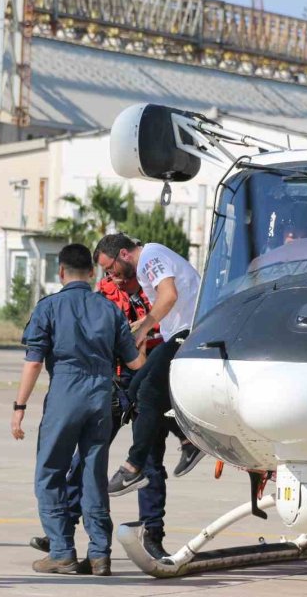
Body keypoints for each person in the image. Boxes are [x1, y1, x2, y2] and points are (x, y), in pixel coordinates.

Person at [12, 244, 145, 576]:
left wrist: (19, 406)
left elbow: (33, 363)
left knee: (50, 472)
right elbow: (136, 363)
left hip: (65, 394)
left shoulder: (48, 308)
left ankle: (61, 552)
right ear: (92, 272)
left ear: (60, 272)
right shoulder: (110, 310)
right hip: (100, 397)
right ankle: (99, 554)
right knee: (93, 475)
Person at [29, 271, 178, 563]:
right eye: (109, 273)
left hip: (150, 385)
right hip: (111, 387)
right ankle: (64, 527)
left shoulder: (158, 297)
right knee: (86, 462)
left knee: (149, 463)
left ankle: (153, 536)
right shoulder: (103, 299)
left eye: (118, 273)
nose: (115, 278)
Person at [93, 233, 205, 557]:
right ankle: (187, 441)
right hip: (176, 337)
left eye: (111, 268)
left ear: (123, 254)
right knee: (136, 390)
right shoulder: (140, 269)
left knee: (145, 394)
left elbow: (169, 295)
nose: (111, 276)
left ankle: (134, 467)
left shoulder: (150, 258)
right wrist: (145, 323)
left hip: (188, 334)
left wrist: (144, 327)